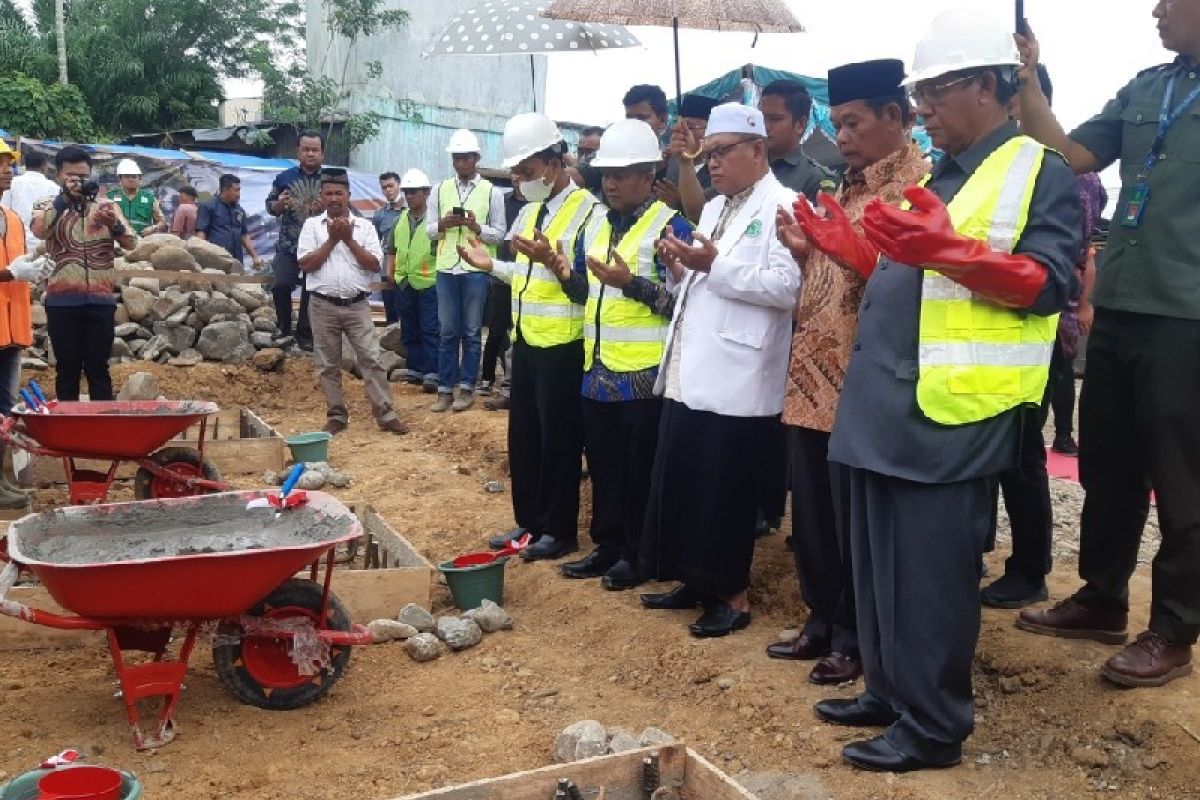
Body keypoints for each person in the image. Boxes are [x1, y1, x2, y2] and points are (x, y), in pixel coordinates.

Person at [807, 11, 1080, 772]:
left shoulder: (1037, 169)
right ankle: (890, 693)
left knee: (927, 579)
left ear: (990, 85)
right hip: (883, 401)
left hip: (949, 412)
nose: (921, 106)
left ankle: (932, 726)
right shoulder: (940, 173)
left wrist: (953, 255)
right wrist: (855, 251)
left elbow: (1048, 286)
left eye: (934, 90)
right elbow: (918, 276)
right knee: (877, 564)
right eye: (918, 91)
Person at [1014, 0, 1200, 688]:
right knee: (1110, 465)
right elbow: (1070, 153)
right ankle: (1102, 597)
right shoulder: (1151, 85)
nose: (1155, 9)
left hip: (1188, 315)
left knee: (1183, 478)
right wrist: (1028, 80)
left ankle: (1176, 628)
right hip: (1121, 302)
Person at [771, 59, 929, 686]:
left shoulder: (919, 186)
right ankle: (822, 616)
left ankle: (856, 634)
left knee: (854, 522)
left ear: (895, 117)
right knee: (812, 514)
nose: (842, 136)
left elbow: (908, 286)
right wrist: (808, 251)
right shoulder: (845, 188)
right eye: (837, 124)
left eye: (854, 123)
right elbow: (832, 272)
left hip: (864, 382)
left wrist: (847, 254)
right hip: (811, 372)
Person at [638, 103, 800, 637]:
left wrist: (715, 267)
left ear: (758, 150)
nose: (712, 164)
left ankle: (732, 595)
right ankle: (694, 579)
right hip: (694, 365)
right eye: (708, 155)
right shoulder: (713, 208)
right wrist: (680, 265)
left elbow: (787, 288)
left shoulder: (785, 204)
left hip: (740, 374)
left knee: (723, 491)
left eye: (722, 152)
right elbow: (705, 276)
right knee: (686, 480)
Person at [980, 64, 1108, 610]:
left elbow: (1059, 256)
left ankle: (1030, 567)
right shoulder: (989, 163)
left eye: (1015, 106)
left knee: (1022, 454)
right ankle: (981, 548)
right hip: (982, 331)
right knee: (983, 452)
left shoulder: (1064, 171)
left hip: (1033, 330)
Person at [554, 119, 692, 590]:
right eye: (606, 174)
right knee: (607, 469)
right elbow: (585, 293)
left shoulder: (671, 228)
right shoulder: (600, 226)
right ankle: (609, 545)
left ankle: (640, 554)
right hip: (598, 372)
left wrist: (630, 284)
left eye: (623, 173)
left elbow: (684, 304)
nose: (610, 183)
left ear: (650, 175)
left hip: (643, 378)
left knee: (639, 473)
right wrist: (560, 271)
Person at [458, 113, 600, 562]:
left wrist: (555, 264)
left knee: (559, 440)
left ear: (554, 162)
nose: (520, 179)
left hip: (565, 343)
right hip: (528, 341)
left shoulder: (587, 213)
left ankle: (559, 530)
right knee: (526, 438)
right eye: (516, 172)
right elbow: (524, 270)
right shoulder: (531, 210)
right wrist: (491, 266)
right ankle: (531, 521)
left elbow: (589, 285)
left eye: (527, 169)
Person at [297, 168, 407, 437]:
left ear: (348, 195)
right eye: (329, 193)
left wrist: (348, 239)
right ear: (322, 197)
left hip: (358, 305)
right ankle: (336, 415)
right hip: (322, 305)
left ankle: (386, 413)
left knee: (371, 359)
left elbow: (374, 263)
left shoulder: (365, 226)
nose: (334, 198)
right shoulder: (311, 226)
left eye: (339, 193)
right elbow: (306, 264)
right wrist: (333, 240)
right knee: (327, 364)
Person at [32, 146, 136, 402]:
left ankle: (103, 432)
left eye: (83, 175)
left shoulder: (107, 205)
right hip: (61, 301)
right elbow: (39, 230)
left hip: (100, 300)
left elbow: (132, 242)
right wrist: (64, 199)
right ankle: (68, 433)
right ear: (58, 176)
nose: (78, 181)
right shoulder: (47, 205)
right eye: (71, 176)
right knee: (67, 371)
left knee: (99, 369)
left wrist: (115, 225)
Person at [426, 128, 506, 412]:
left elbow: (499, 234)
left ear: (476, 159)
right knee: (448, 331)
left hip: (475, 268)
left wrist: (475, 227)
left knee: (471, 332)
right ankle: (445, 390)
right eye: (456, 159)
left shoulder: (491, 193)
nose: (460, 164)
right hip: (447, 267)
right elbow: (429, 230)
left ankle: (467, 388)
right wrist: (444, 225)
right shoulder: (439, 189)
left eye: (465, 159)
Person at [0, 140, 46, 508]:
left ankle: (1, 483)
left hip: (11, 330)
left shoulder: (12, 219)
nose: (7, 170)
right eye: (1, 164)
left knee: (4, 413)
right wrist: (9, 273)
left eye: (8, 163)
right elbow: (9, 271)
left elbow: (18, 265)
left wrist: (31, 268)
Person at [266, 130, 325, 350]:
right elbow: (270, 207)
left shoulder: (330, 180)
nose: (310, 154)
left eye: (315, 150)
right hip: (289, 245)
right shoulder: (284, 178)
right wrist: (279, 205)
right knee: (280, 285)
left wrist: (326, 209)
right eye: (306, 149)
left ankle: (305, 334)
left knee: (313, 290)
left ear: (322, 154)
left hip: (319, 248)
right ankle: (283, 327)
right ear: (298, 152)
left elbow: (342, 209)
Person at [388, 169, 438, 390]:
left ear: (426, 193)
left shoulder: (435, 221)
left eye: (414, 192)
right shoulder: (400, 220)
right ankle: (415, 369)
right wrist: (391, 273)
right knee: (409, 328)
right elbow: (391, 249)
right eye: (407, 192)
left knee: (430, 328)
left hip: (429, 283)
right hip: (405, 282)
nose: (409, 196)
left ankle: (432, 371)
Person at [480, 174, 524, 405]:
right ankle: (487, 379)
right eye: (515, 172)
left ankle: (511, 388)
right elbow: (496, 235)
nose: (519, 178)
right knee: (496, 330)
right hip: (500, 275)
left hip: (528, 278)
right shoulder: (503, 203)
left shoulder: (537, 207)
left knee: (520, 333)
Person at [668, 93, 720, 222]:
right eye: (680, 127)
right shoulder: (674, 160)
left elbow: (702, 213)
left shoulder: (720, 167)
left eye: (690, 127)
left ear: (710, 129)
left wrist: (679, 201)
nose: (684, 133)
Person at [195, 174, 263, 273]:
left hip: (237, 262)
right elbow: (201, 232)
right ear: (224, 189)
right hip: (215, 261)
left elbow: (244, 235)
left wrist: (254, 256)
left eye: (239, 190)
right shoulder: (208, 207)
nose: (238, 194)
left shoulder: (239, 210)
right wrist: (200, 255)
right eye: (235, 190)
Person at [3, 151, 58, 246]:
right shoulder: (54, 187)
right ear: (44, 166)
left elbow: (4, 210)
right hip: (42, 243)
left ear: (25, 165)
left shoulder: (12, 183)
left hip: (15, 241)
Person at [374, 171, 405, 325]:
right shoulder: (380, 215)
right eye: (384, 187)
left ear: (399, 185)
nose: (388, 190)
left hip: (409, 264)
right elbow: (375, 242)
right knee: (390, 306)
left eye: (391, 186)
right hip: (387, 265)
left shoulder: (412, 210)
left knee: (408, 306)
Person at [107, 159, 166, 235]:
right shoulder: (110, 197)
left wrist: (154, 228)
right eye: (127, 177)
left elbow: (162, 221)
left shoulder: (149, 198)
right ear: (120, 179)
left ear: (139, 179)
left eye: (134, 177)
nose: (131, 179)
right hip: (116, 241)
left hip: (142, 242)